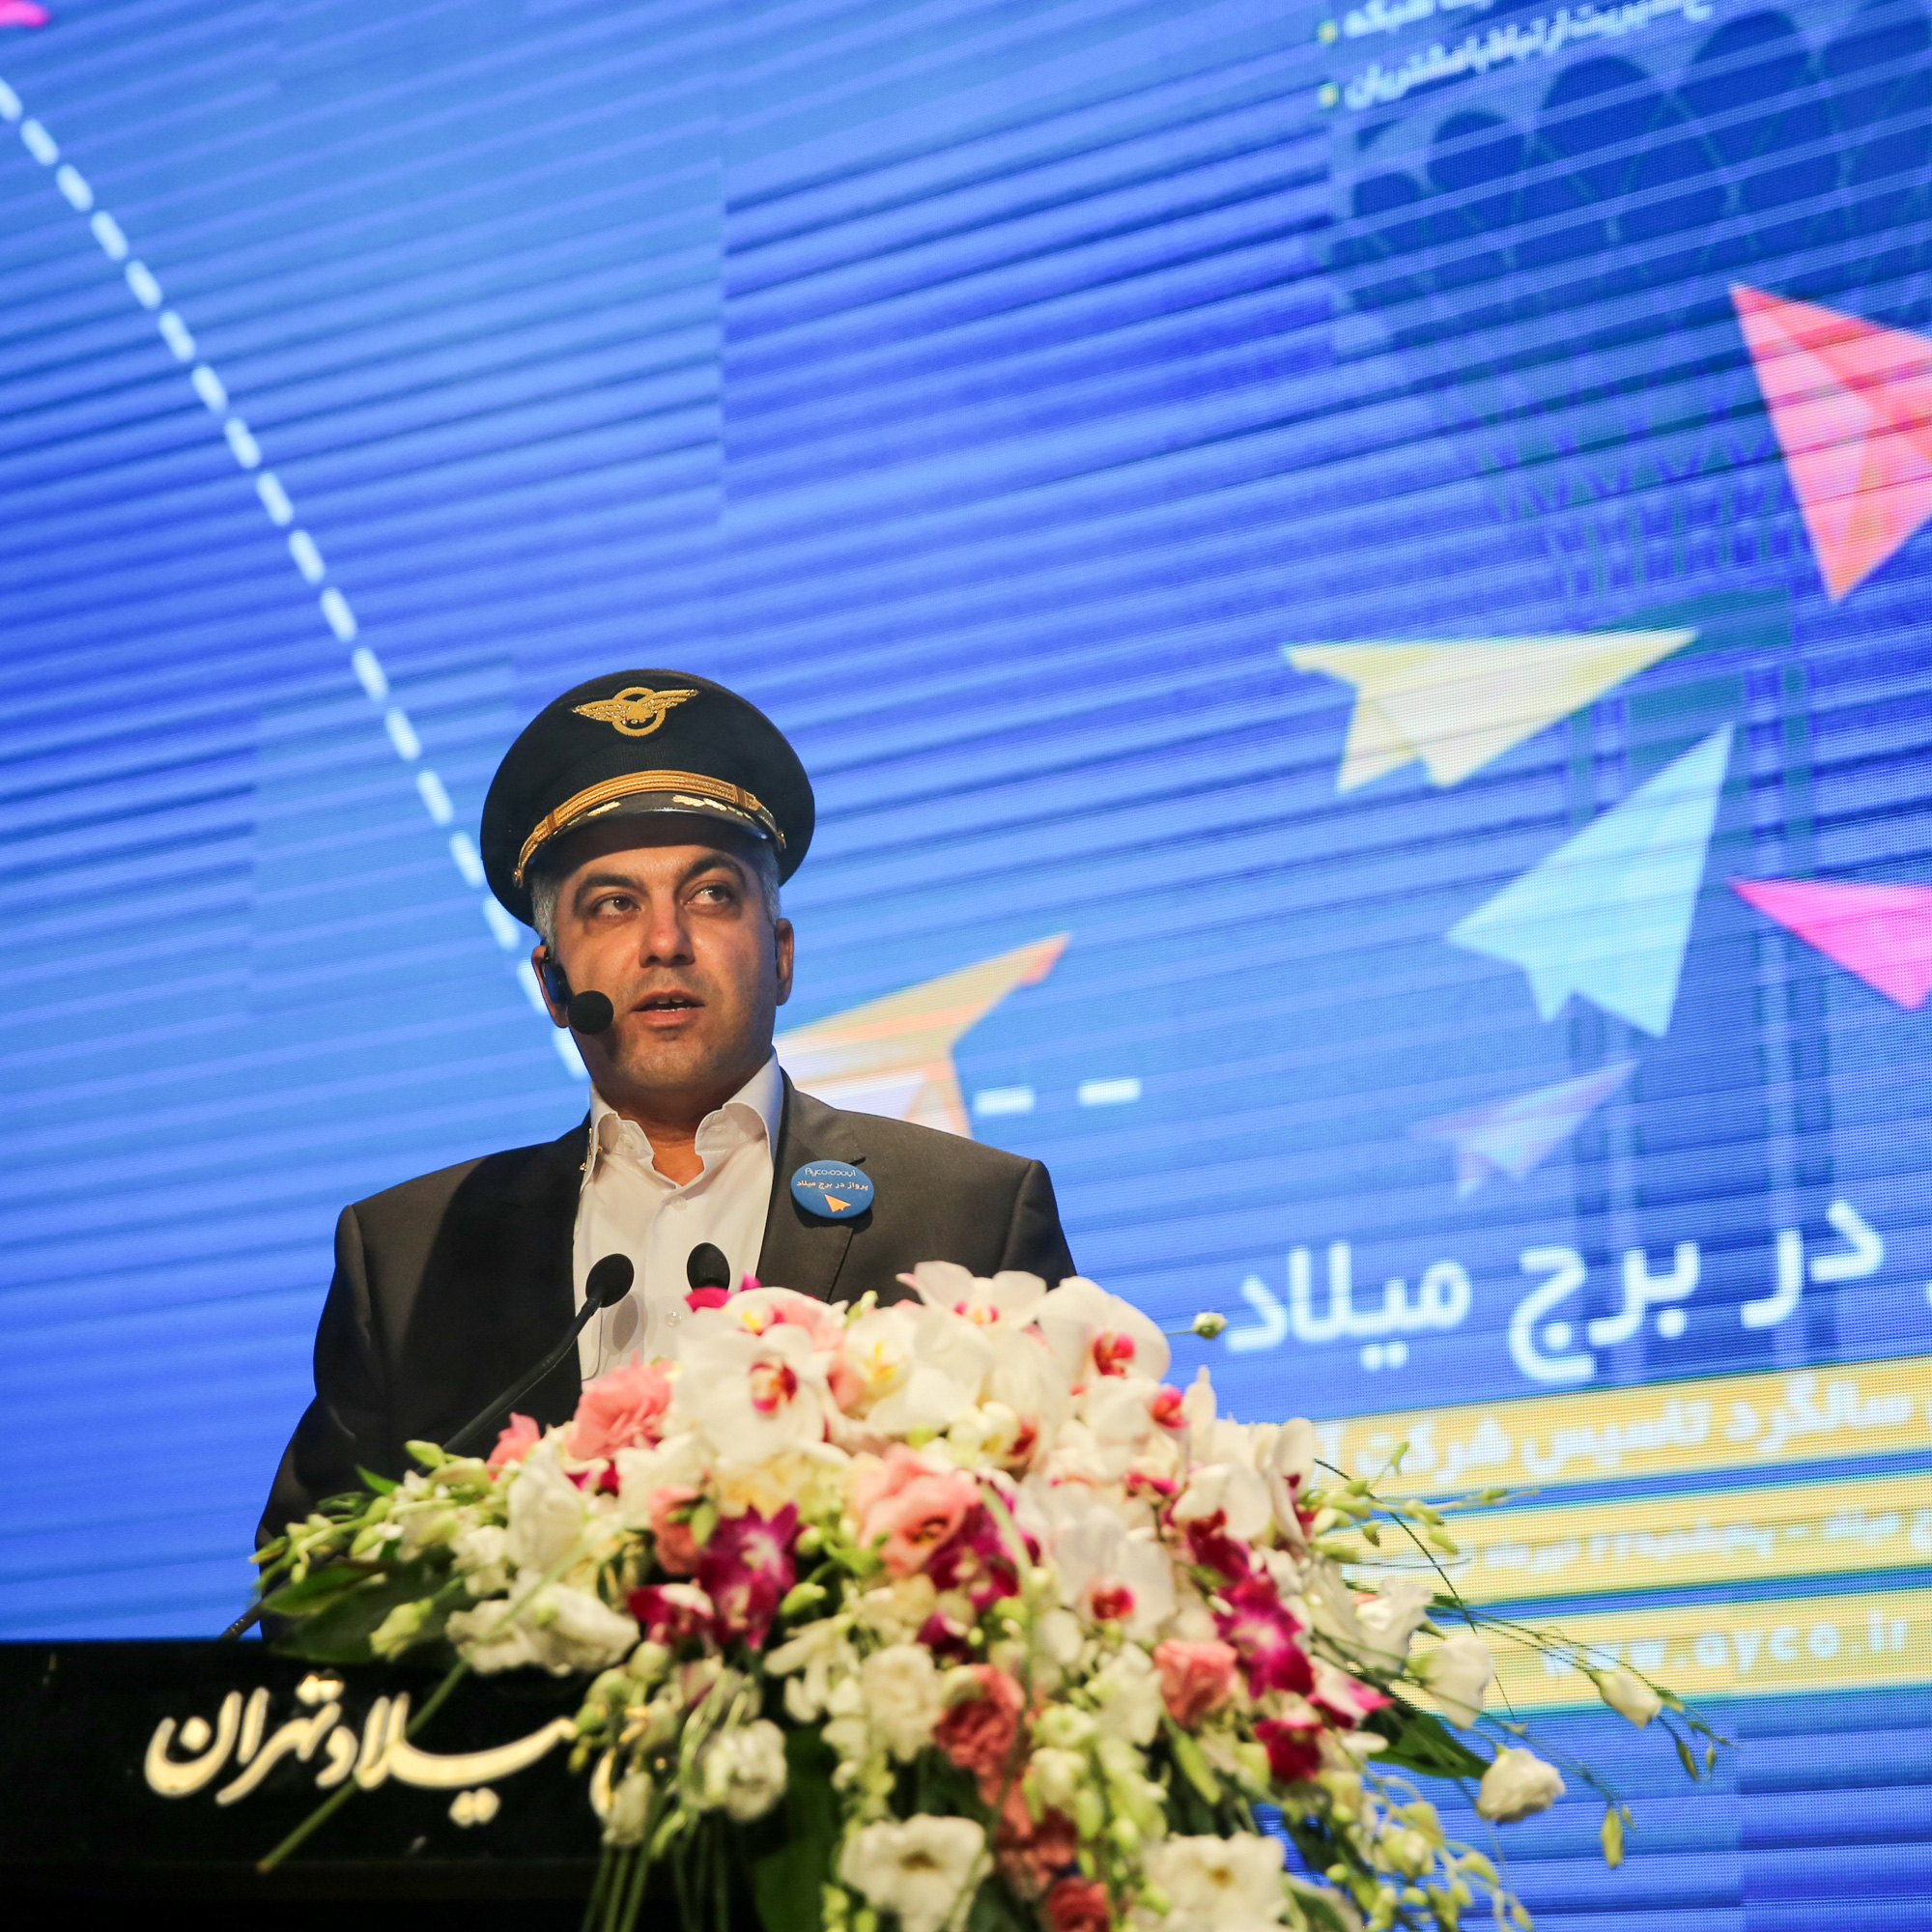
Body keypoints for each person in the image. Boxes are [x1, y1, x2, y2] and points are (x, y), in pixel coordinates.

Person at [260, 669, 1075, 1539]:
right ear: (552, 983)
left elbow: (1072, 1521)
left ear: (781, 955)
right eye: (613, 905)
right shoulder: (405, 1257)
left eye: (711, 895)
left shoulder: (970, 1214)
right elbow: (312, 1578)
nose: (664, 942)